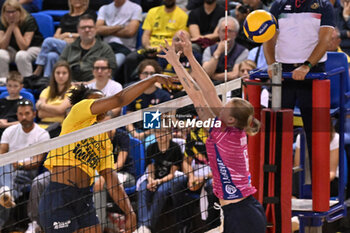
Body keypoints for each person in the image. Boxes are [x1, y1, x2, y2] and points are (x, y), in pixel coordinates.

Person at [159, 32, 266, 233]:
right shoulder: (232, 129)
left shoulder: (221, 131)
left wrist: (176, 62)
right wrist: (190, 55)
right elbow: (209, 90)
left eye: (225, 106)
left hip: (241, 215)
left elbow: (196, 94)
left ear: (231, 118)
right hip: (245, 208)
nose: (221, 106)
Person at [38, 73, 174, 233]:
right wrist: (152, 79)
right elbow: (119, 100)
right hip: (60, 194)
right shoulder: (78, 114)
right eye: (96, 100)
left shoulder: (104, 141)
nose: (102, 104)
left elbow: (112, 180)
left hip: (84, 197)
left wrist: (129, 212)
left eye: (102, 100)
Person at [263, 0, 335, 171]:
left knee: (315, 133)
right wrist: (272, 64)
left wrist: (307, 66)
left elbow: (325, 40)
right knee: (277, 133)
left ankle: (319, 189)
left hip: (312, 73)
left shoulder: (324, 6)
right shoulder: (277, 6)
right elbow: (268, 37)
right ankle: (277, 189)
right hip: (283, 75)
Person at [0, 100, 50, 231]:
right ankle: (7, 191)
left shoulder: (42, 134)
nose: (23, 117)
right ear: (17, 115)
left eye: (27, 113)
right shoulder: (9, 131)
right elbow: (1, 155)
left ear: (34, 114)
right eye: (20, 114)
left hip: (28, 171)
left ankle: (5, 190)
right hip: (8, 171)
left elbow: (37, 161)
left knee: (7, 168)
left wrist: (19, 164)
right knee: (6, 169)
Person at [123, 0, 188, 84]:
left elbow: (179, 39)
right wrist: (147, 47)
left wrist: (161, 49)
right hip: (150, 47)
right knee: (131, 58)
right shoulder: (153, 12)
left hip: (167, 49)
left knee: (161, 60)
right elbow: (146, 35)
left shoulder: (182, 15)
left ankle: (160, 86)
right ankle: (129, 86)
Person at [136, 127, 184, 233]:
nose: (160, 135)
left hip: (168, 179)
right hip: (154, 178)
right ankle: (142, 226)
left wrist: (158, 182)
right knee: (143, 188)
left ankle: (147, 227)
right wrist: (150, 180)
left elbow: (172, 174)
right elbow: (150, 168)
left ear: (169, 134)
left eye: (163, 132)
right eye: (157, 132)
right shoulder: (151, 148)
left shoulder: (175, 148)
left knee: (161, 191)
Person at [33, 0, 97, 78]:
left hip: (79, 47)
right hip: (63, 45)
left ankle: (39, 69)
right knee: (51, 56)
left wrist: (69, 35)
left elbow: (89, 34)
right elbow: (56, 36)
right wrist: (63, 38)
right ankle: (47, 81)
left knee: (47, 41)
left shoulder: (89, 15)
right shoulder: (65, 16)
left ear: (85, 1)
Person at [59, 13, 117, 83]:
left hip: (95, 86)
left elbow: (109, 73)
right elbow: (60, 67)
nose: (87, 30)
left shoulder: (105, 49)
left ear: (95, 29)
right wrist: (70, 84)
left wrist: (87, 84)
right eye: (83, 27)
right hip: (70, 85)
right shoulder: (70, 47)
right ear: (78, 30)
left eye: (90, 27)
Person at [126, 59, 171, 141]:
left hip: (155, 133)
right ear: (140, 75)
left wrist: (144, 134)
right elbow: (128, 120)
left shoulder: (164, 96)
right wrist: (134, 134)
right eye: (145, 73)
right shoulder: (133, 95)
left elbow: (164, 122)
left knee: (150, 141)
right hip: (135, 132)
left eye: (152, 74)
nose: (149, 76)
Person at [0, 0, 43, 78]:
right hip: (14, 49)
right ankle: (3, 81)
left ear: (19, 11)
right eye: (8, 12)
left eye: (13, 12)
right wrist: (10, 27)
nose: (10, 15)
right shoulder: (2, 21)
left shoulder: (29, 20)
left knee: (21, 55)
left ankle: (27, 82)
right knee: (1, 53)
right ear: (4, 12)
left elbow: (24, 47)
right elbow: (3, 46)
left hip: (34, 48)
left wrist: (15, 27)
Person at [96, 0, 142, 72]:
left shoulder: (136, 8)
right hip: (105, 47)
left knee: (110, 66)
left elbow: (130, 32)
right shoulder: (104, 8)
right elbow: (98, 30)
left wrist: (107, 30)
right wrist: (121, 27)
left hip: (124, 48)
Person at [202, 16, 248, 83]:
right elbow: (206, 73)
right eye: (223, 31)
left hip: (232, 88)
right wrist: (218, 52)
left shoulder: (243, 51)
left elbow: (234, 75)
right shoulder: (209, 50)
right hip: (211, 87)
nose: (226, 34)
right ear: (218, 32)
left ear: (236, 34)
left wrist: (213, 76)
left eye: (229, 31)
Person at [35, 61, 73, 135]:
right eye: (58, 73)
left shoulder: (73, 90)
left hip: (59, 127)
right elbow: (40, 114)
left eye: (64, 73)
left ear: (69, 75)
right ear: (53, 74)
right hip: (42, 125)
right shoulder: (46, 90)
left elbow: (61, 110)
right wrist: (59, 112)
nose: (61, 76)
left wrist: (41, 106)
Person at [0, 71, 26, 137]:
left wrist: (6, 125)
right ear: (6, 86)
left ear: (21, 87)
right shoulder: (1, 101)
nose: (12, 89)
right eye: (9, 86)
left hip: (16, 131)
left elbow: (26, 122)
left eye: (15, 86)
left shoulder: (24, 103)